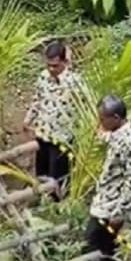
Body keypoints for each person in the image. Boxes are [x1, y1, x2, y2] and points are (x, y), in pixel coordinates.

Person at [83, 95, 131, 261]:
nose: (100, 123)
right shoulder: (118, 132)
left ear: (116, 117)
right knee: (103, 245)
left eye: (103, 119)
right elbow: (114, 141)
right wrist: (103, 135)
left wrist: (118, 213)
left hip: (112, 206)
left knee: (95, 243)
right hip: (105, 198)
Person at [23, 40, 84, 193]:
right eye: (48, 65)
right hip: (43, 133)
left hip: (62, 138)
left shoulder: (75, 83)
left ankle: (58, 206)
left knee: (59, 176)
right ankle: (43, 203)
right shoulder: (43, 77)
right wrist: (28, 118)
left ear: (65, 62)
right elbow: (37, 99)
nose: (51, 69)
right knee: (42, 173)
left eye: (55, 65)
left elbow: (85, 109)